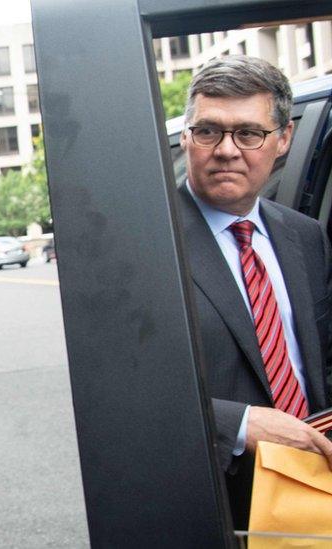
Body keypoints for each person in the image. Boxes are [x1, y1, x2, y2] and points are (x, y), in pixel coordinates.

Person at [176, 55, 332, 528]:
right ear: (186, 138)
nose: (226, 149)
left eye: (248, 133)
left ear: (283, 140)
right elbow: (122, 388)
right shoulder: (149, 244)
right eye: (208, 131)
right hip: (217, 504)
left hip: (316, 489)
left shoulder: (306, 236)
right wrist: (242, 424)